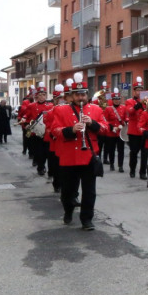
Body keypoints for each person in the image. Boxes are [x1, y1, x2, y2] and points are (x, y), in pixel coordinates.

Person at [50, 72, 108, 231]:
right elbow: (54, 130)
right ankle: (68, 210)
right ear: (72, 95)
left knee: (90, 191)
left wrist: (92, 123)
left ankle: (86, 219)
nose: (80, 97)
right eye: (77, 94)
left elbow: (105, 128)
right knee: (68, 192)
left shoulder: (95, 109)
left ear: (87, 95)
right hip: (69, 157)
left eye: (83, 94)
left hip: (89, 156)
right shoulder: (61, 110)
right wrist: (71, 129)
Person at [23, 82, 53, 175]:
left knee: (47, 152)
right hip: (36, 133)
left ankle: (44, 166)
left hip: (46, 133)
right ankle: (41, 167)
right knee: (39, 152)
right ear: (37, 96)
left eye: (44, 95)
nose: (42, 97)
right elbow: (26, 116)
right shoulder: (31, 106)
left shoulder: (50, 106)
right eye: (40, 95)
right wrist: (26, 124)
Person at [125, 76, 148, 180]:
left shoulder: (147, 101)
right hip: (134, 131)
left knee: (144, 153)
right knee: (134, 152)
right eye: (137, 90)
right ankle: (132, 170)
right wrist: (139, 104)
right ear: (134, 91)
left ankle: (143, 172)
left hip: (143, 131)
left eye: (140, 90)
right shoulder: (129, 101)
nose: (139, 92)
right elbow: (130, 112)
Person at [103, 88, 125, 172]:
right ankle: (112, 164)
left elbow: (126, 118)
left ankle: (120, 166)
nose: (117, 101)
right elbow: (105, 120)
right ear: (112, 100)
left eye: (118, 99)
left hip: (120, 133)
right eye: (115, 99)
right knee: (111, 149)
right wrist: (112, 127)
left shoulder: (123, 107)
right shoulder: (108, 109)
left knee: (121, 150)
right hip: (111, 132)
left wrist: (124, 123)